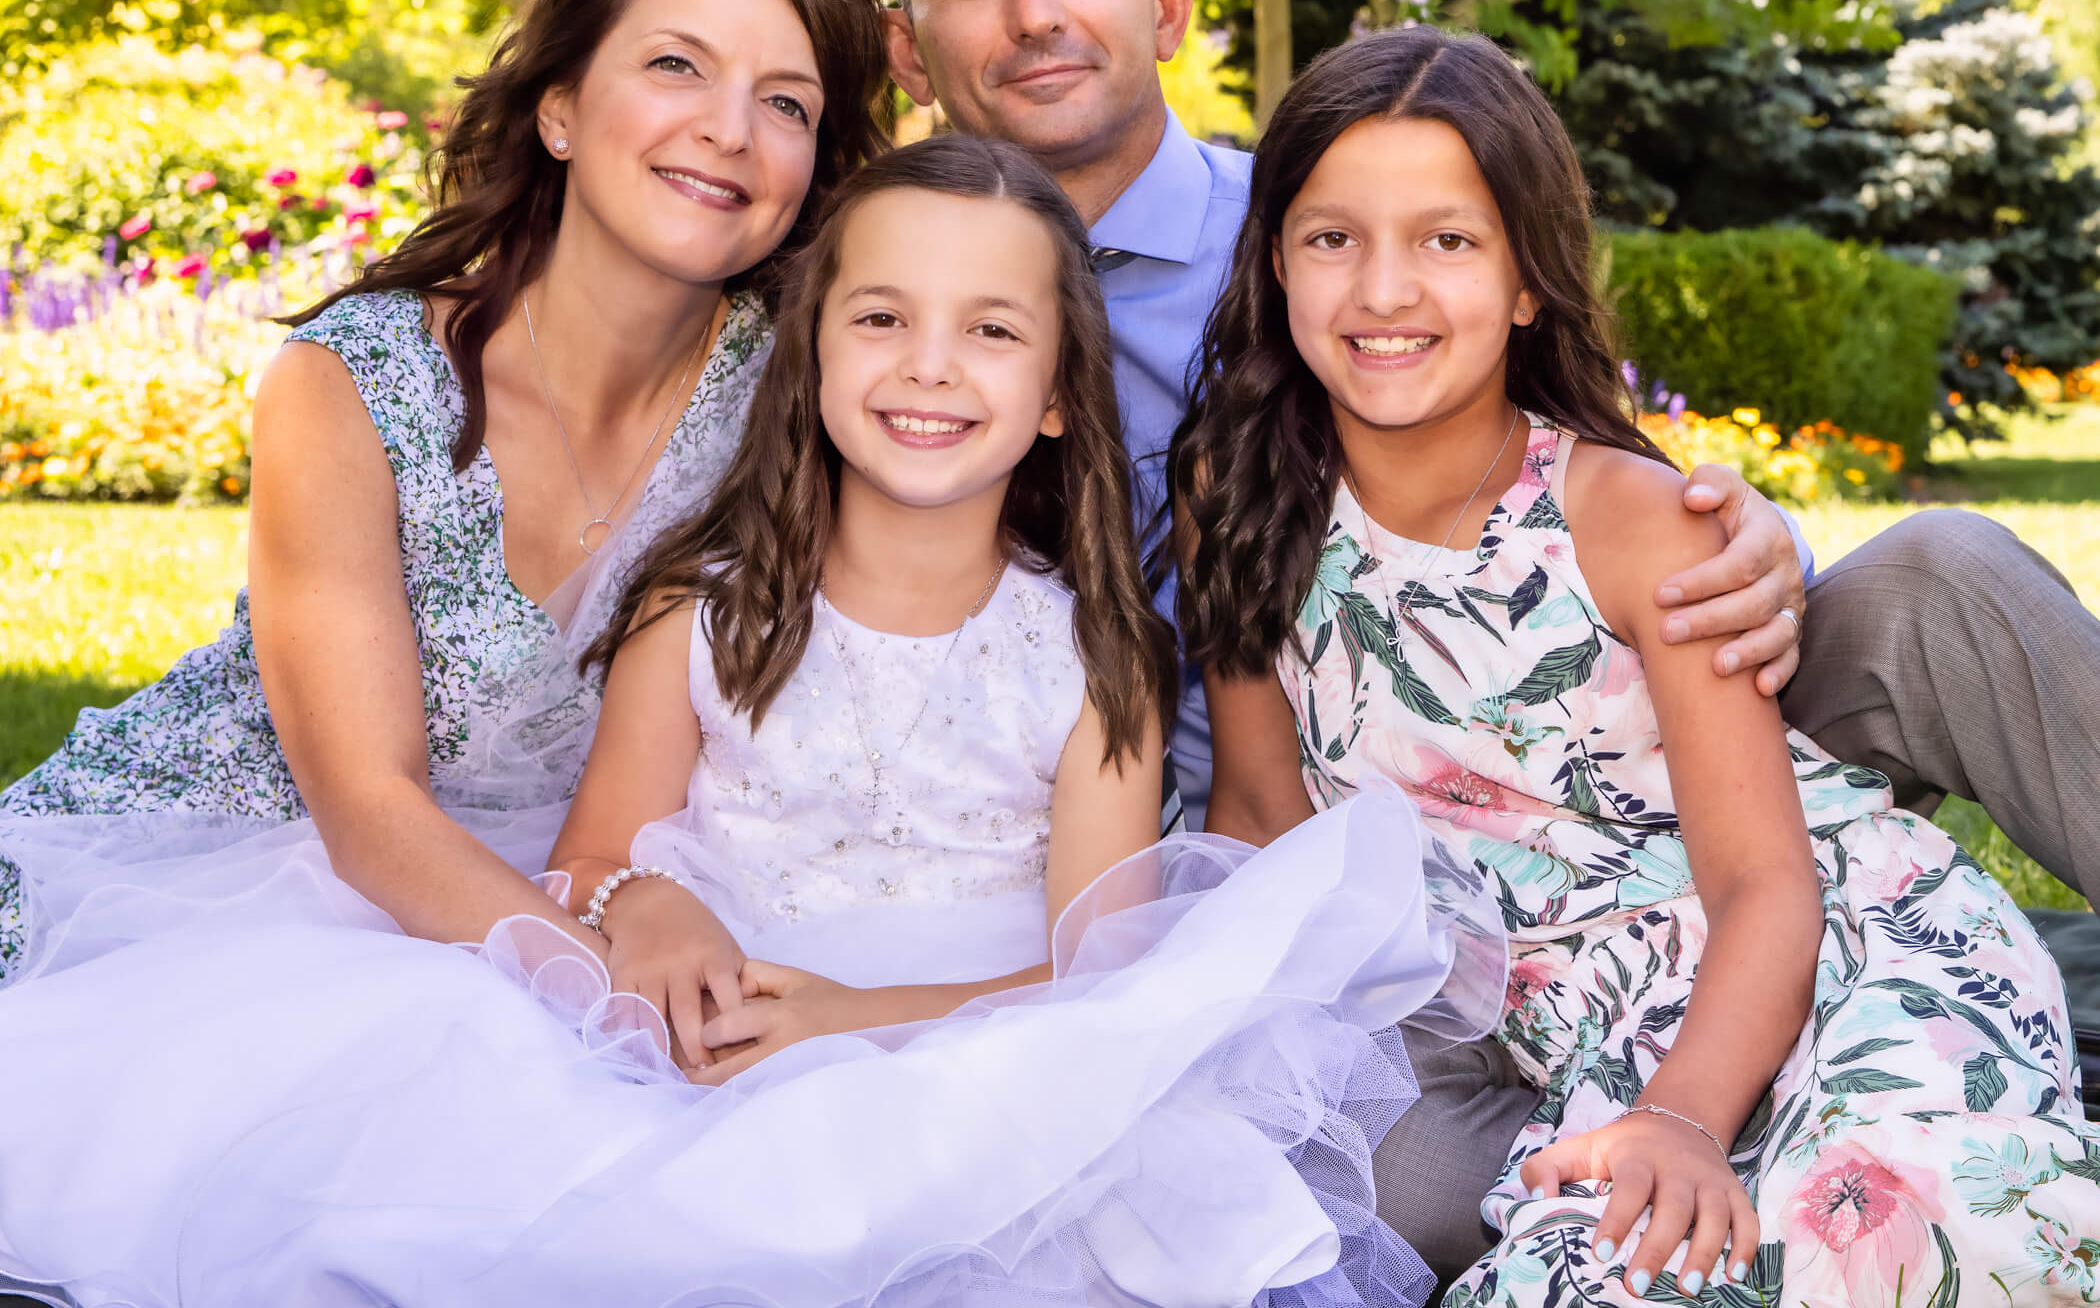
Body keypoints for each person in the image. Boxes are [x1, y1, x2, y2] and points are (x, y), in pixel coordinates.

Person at [876, 0, 2100, 1280]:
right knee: (1273, 1187)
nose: (1032, 15)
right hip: (1412, 911)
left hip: (1677, 782)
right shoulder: (876, 293)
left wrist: (1726, 529)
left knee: (1933, 592)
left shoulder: (1312, 196)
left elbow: (1751, 843)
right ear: (906, 42)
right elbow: (1254, 813)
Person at [0, 135, 1500, 1307]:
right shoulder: (705, 612)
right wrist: (640, 910)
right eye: (882, 319)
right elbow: (587, 858)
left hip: (963, 1058)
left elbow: (1088, 973)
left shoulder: (1092, 659)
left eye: (990, 332)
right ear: (814, 355)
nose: (928, 367)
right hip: (676, 1043)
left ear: (1056, 393)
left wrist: (856, 1022)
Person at [1175, 25, 2100, 1306]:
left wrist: (1682, 1117)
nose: (1383, 290)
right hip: (1545, 1024)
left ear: (1525, 283)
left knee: (1890, 1223)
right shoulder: (1237, 493)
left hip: (1790, 960)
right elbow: (1263, 811)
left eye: (1448, 240)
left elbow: (1765, 882)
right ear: (1277, 262)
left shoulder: (1628, 521)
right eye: (1333, 238)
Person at [0, 0, 892, 986]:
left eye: (787, 103)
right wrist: (609, 1005)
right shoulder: (356, 382)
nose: (727, 129)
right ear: (558, 107)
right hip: (215, 879)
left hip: (560, 882)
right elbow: (371, 811)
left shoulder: (802, 396)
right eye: (677, 64)